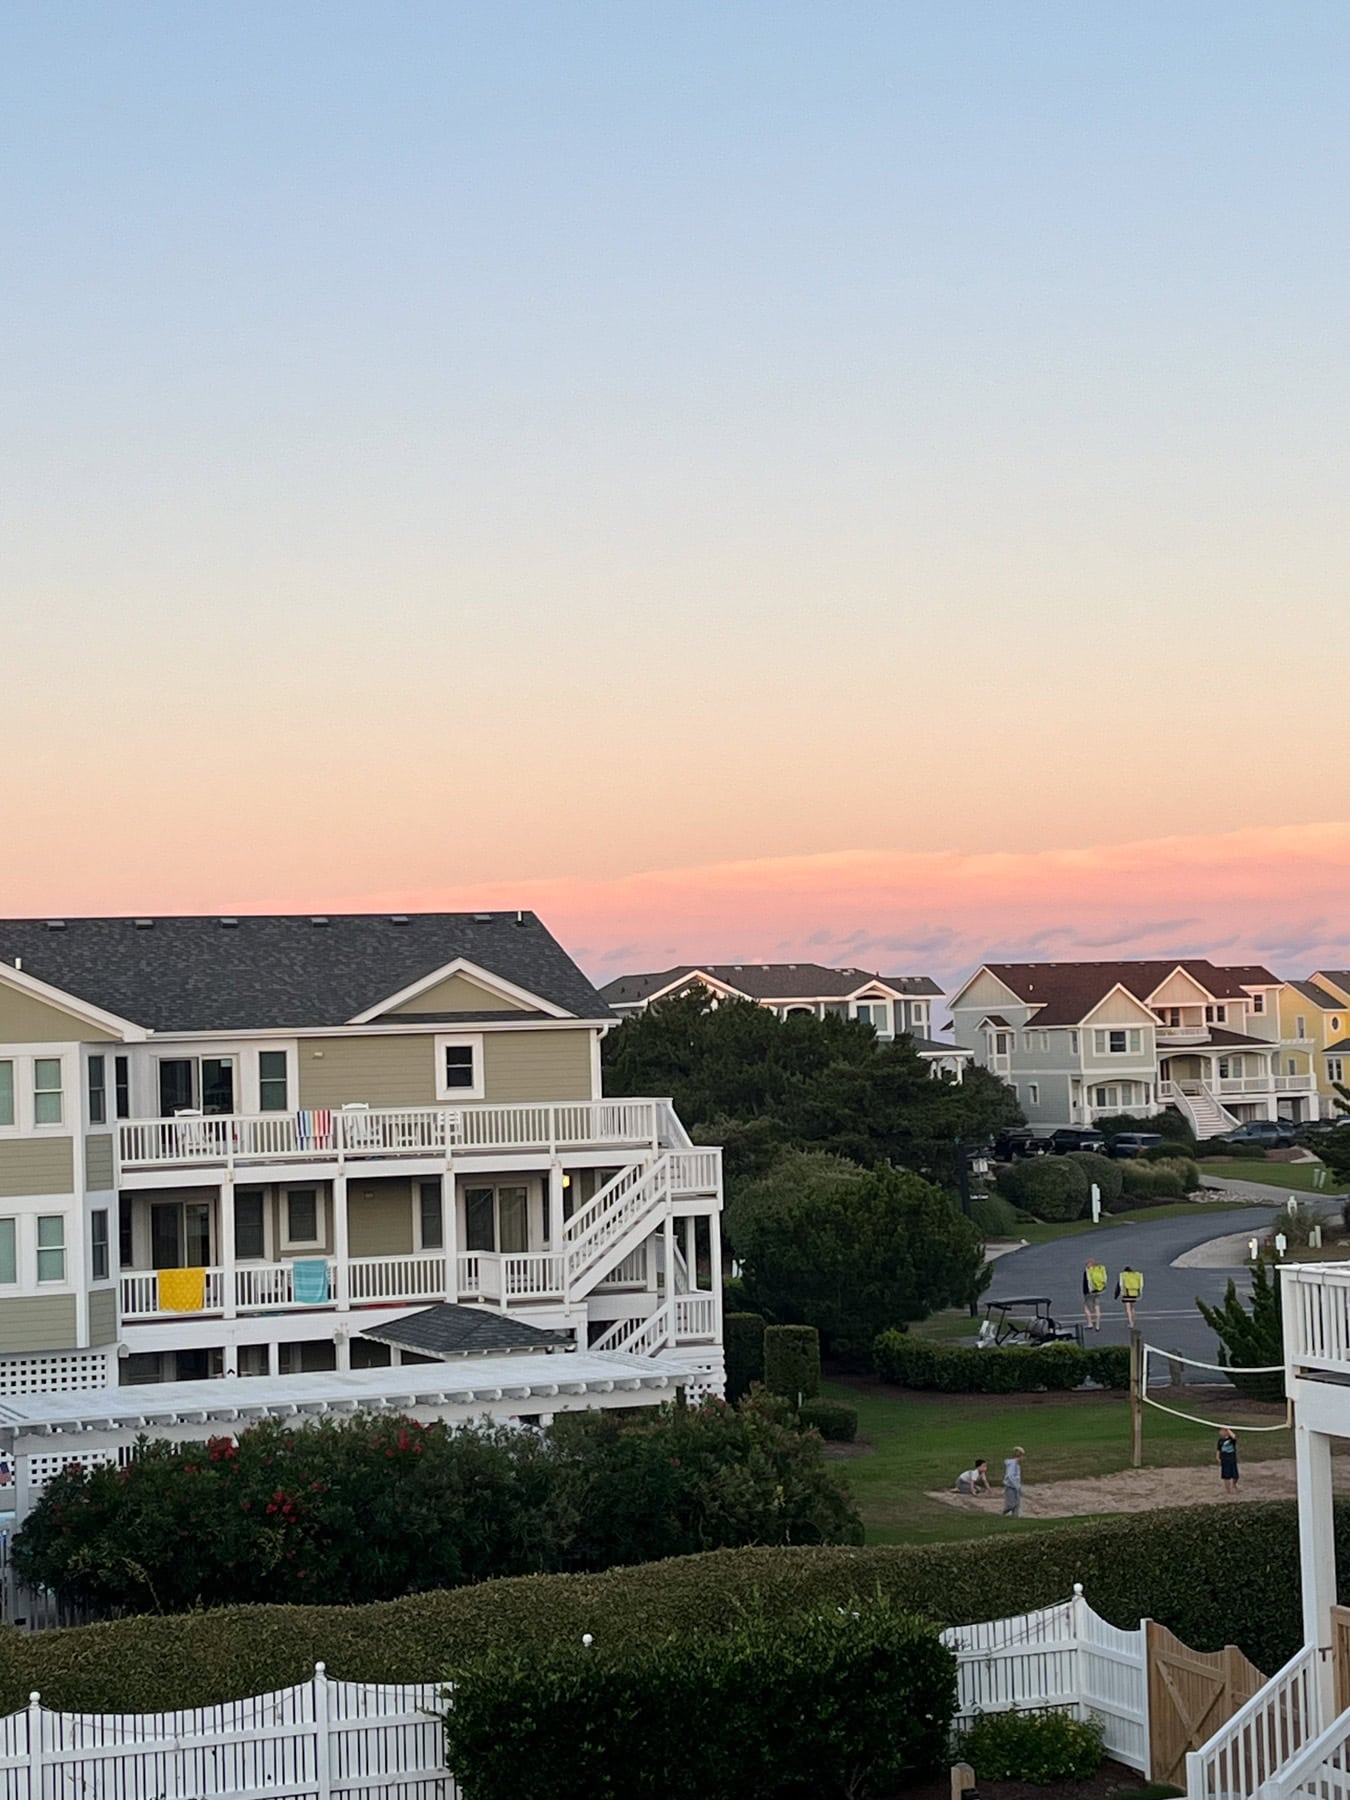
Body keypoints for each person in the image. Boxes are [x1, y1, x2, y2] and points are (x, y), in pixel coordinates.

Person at [1083, 1258, 1108, 1331]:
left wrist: (1085, 1293)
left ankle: (1090, 1323)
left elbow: (1086, 1283)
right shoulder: (1100, 1270)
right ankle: (1097, 1325)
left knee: (1087, 1307)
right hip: (1098, 1290)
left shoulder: (1088, 1271)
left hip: (1089, 1292)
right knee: (1097, 1307)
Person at [1003, 1446, 1026, 1517]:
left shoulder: (1017, 1465)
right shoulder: (1013, 1464)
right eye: (1023, 1456)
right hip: (1010, 1487)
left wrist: (1018, 1487)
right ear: (1020, 1456)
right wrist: (1017, 1486)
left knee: (1017, 1505)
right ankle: (1003, 1513)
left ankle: (1015, 1518)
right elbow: (1010, 1476)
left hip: (1015, 1487)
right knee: (1011, 1505)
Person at [1217, 1426, 1240, 1494]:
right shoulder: (1220, 1441)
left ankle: (1234, 1484)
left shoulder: (1231, 1440)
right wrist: (1218, 1457)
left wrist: (1228, 1429)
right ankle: (1228, 1490)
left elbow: (1234, 1436)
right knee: (1226, 1476)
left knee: (1236, 1476)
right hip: (1224, 1459)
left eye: (1222, 1431)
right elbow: (1218, 1449)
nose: (1220, 1432)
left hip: (1232, 1459)